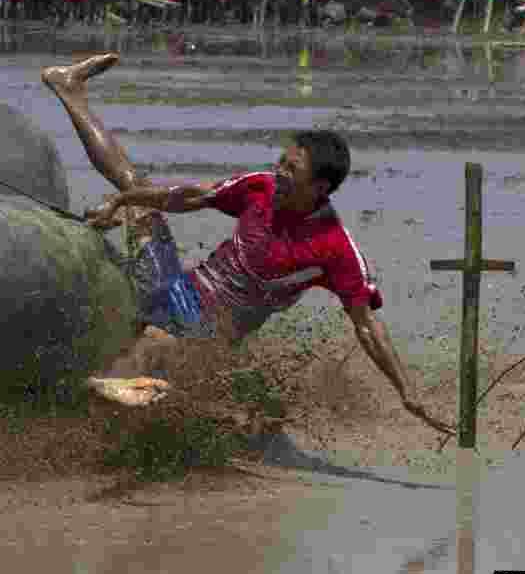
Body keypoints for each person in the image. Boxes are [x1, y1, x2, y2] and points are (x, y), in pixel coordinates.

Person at [38, 52, 454, 435]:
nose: (279, 172)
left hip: (207, 335)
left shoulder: (335, 249)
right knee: (137, 190)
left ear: (320, 186)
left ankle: (77, 411)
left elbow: (366, 326)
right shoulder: (259, 188)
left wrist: (406, 391)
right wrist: (122, 201)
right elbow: (188, 196)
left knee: (157, 354)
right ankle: (68, 88)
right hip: (178, 288)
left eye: (291, 169)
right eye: (281, 162)